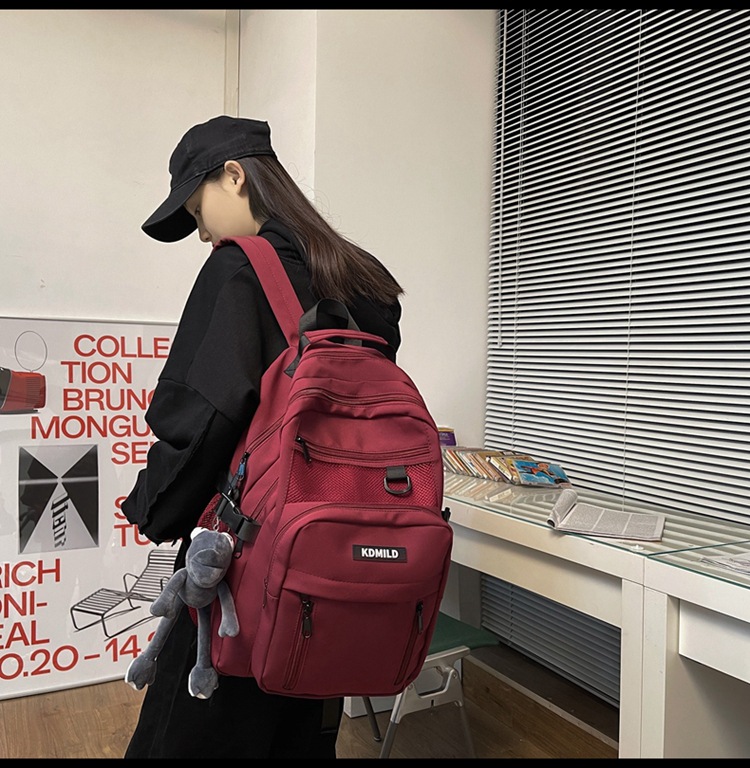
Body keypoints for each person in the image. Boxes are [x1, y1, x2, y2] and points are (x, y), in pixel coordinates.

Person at [121, 115, 403, 759]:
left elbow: (202, 418)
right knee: (302, 735)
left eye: (198, 212)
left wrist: (154, 506)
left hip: (247, 565)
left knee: (190, 732)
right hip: (337, 561)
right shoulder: (366, 280)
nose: (202, 233)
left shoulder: (238, 270)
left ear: (234, 175)